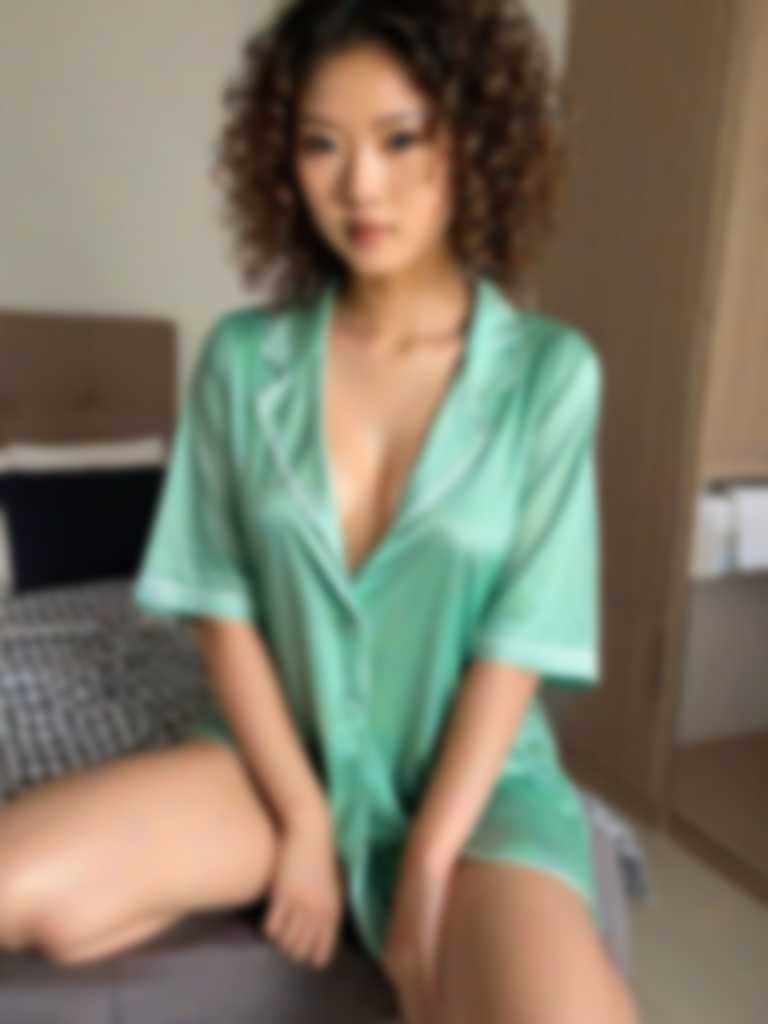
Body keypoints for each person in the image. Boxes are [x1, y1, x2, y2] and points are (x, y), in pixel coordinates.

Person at [0, 2, 641, 1021]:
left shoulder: (550, 378)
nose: (360, 186)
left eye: (399, 139)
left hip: (474, 797)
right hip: (270, 768)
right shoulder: (242, 362)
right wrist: (304, 820)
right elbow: (221, 613)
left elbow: (516, 647)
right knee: (20, 882)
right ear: (282, 162)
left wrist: (425, 867)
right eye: (321, 145)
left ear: (473, 142)